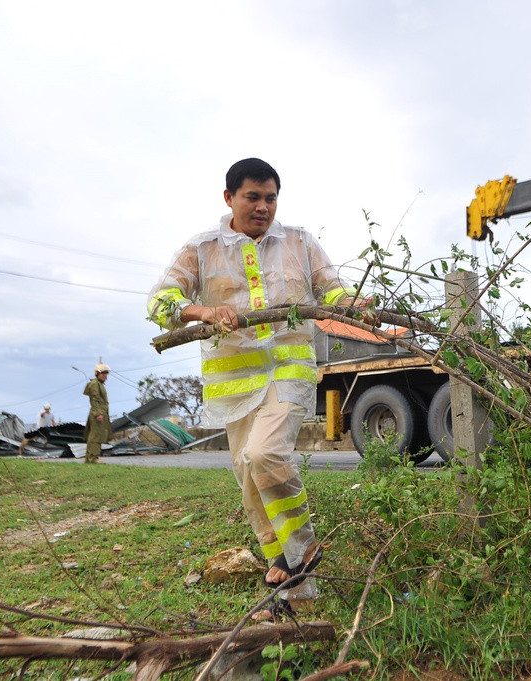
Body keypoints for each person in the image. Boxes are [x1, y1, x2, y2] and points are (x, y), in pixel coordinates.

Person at [147, 157, 373, 617]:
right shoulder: (202, 248)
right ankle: (292, 588)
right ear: (229, 197)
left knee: (265, 455)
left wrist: (352, 303)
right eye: (253, 197)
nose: (263, 207)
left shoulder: (299, 242)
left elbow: (331, 289)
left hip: (288, 372)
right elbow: (160, 303)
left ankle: (304, 550)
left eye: (271, 198)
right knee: (249, 479)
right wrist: (204, 312)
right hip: (232, 385)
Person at [83, 364, 112, 464]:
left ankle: (90, 458)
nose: (105, 375)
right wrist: (98, 413)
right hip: (98, 413)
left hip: (101, 412)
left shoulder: (100, 384)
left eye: (106, 373)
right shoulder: (95, 384)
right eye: (102, 373)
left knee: (97, 435)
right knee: (96, 436)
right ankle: (93, 458)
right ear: (97, 373)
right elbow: (94, 400)